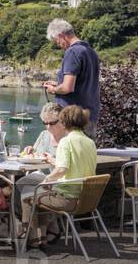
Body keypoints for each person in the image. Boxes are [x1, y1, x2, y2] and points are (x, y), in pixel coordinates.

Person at [20, 105, 97, 249]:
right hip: (85, 198)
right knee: (39, 194)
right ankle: (41, 237)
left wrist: (46, 180)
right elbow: (72, 165)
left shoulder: (66, 142)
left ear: (64, 122)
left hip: (67, 198)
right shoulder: (89, 142)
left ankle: (27, 235)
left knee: (28, 197)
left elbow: (62, 169)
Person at [43, 19, 101, 136]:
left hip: (73, 119)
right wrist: (58, 83)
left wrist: (53, 89)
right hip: (90, 114)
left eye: (57, 41)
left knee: (68, 152)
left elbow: (68, 88)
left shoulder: (72, 52)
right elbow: (83, 82)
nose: (59, 45)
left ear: (62, 36)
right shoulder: (91, 52)